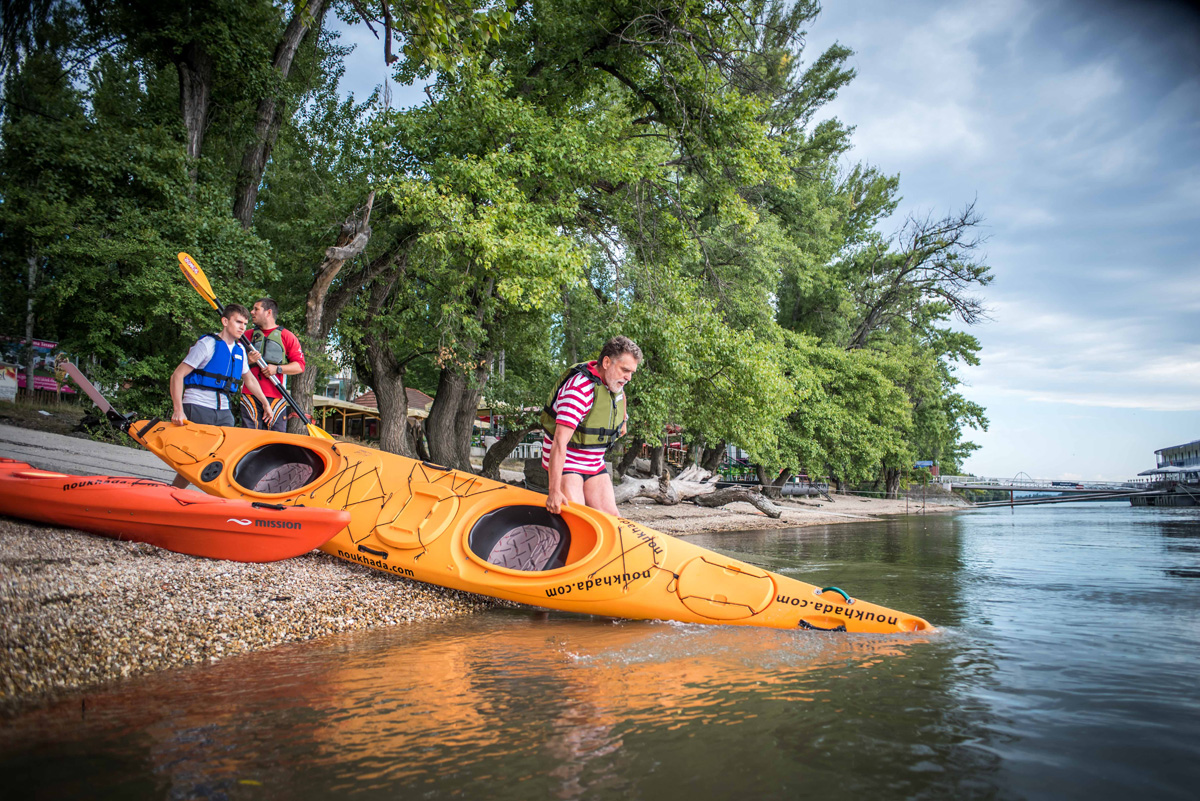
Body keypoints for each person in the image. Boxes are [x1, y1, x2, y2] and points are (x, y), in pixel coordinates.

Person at [541, 336, 642, 517]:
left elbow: (621, 395)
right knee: (578, 517)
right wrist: (553, 491)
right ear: (606, 362)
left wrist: (624, 421)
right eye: (625, 370)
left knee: (612, 518)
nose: (629, 378)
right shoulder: (579, 391)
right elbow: (559, 442)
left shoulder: (614, 381)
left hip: (594, 462)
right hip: (568, 461)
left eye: (632, 372)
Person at [170, 304, 270, 428]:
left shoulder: (239, 350)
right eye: (238, 322)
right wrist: (178, 410)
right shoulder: (207, 344)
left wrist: (265, 403)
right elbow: (177, 375)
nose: (242, 327)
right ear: (225, 321)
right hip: (197, 405)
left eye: (245, 324)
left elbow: (250, 380)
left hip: (224, 411)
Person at [240, 297, 306, 431]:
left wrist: (278, 369)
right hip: (250, 394)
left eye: (256, 309)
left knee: (276, 438)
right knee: (249, 437)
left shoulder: (287, 336)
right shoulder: (246, 335)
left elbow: (300, 366)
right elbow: (233, 363)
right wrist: (248, 361)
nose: (252, 312)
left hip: (276, 396)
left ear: (268, 312)